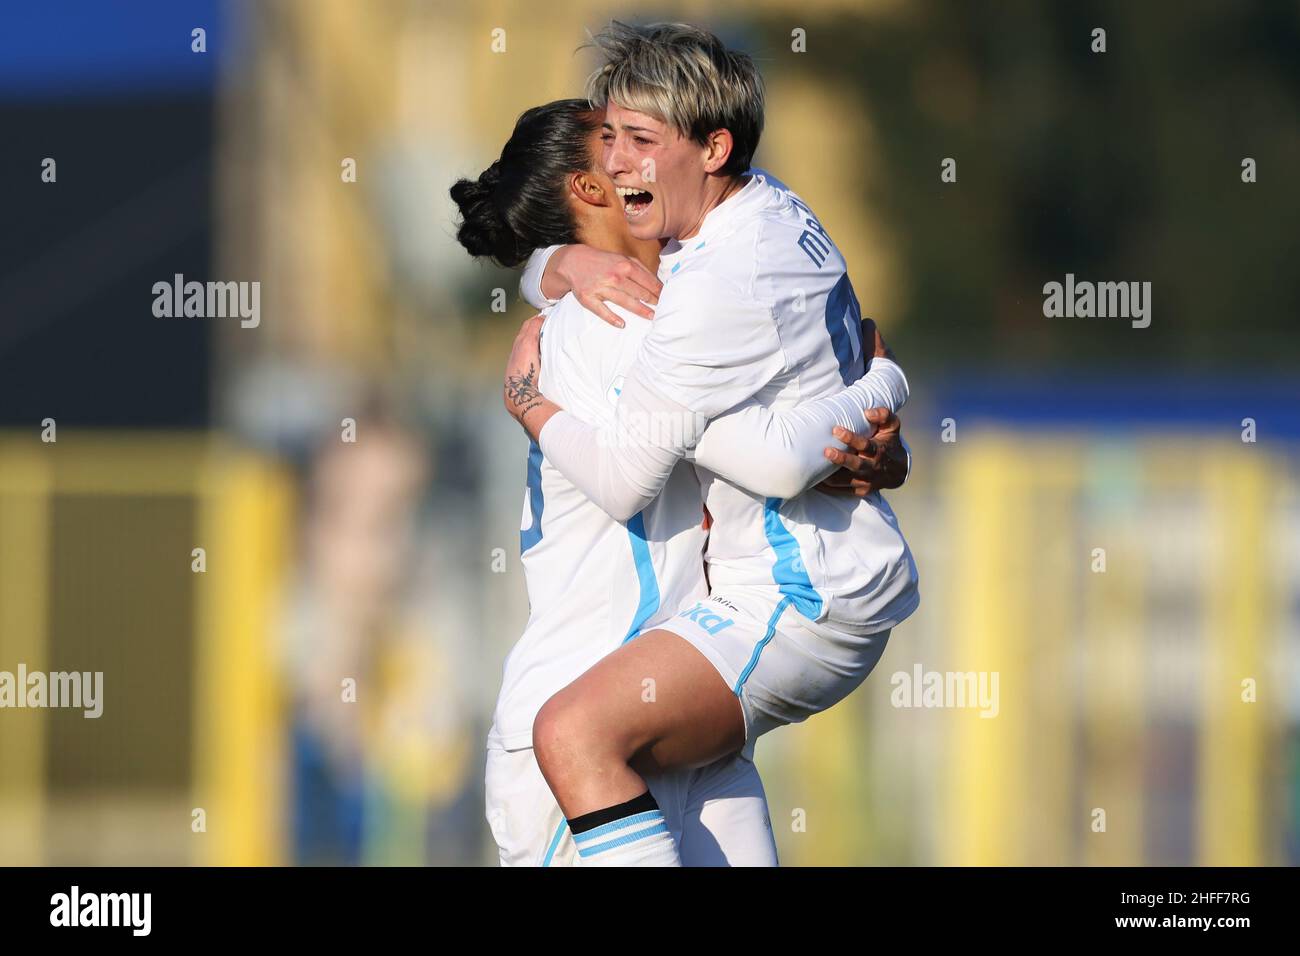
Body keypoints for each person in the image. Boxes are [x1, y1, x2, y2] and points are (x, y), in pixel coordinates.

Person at [501, 22, 919, 866]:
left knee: (573, 734)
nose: (618, 164)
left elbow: (648, 475)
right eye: (610, 139)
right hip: (736, 626)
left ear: (713, 147)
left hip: (784, 598)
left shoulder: (701, 293)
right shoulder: (769, 208)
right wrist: (554, 264)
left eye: (641, 141)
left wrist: (525, 401)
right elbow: (797, 431)